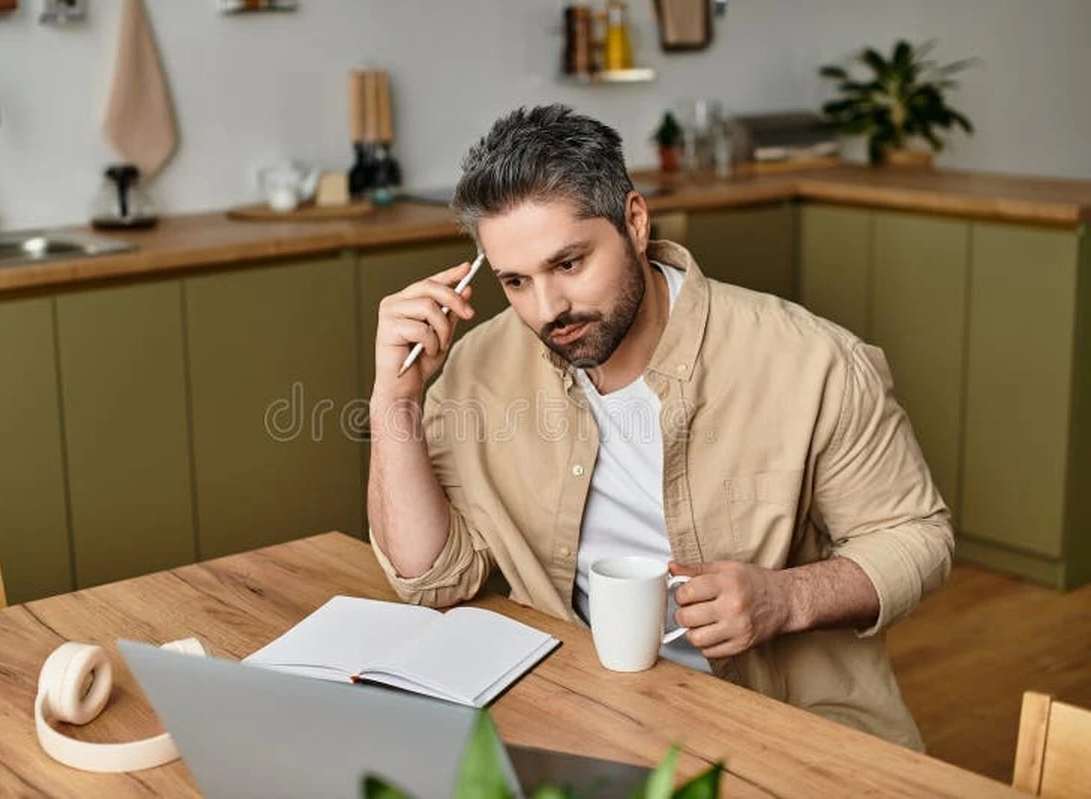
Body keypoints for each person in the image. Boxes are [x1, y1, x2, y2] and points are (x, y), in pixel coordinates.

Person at [366, 104, 952, 750]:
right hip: (590, 718)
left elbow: (917, 534)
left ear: (635, 223)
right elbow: (431, 576)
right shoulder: (480, 368)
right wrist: (394, 398)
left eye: (569, 263)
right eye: (515, 280)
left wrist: (786, 599)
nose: (547, 308)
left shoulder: (812, 362)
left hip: (785, 728)